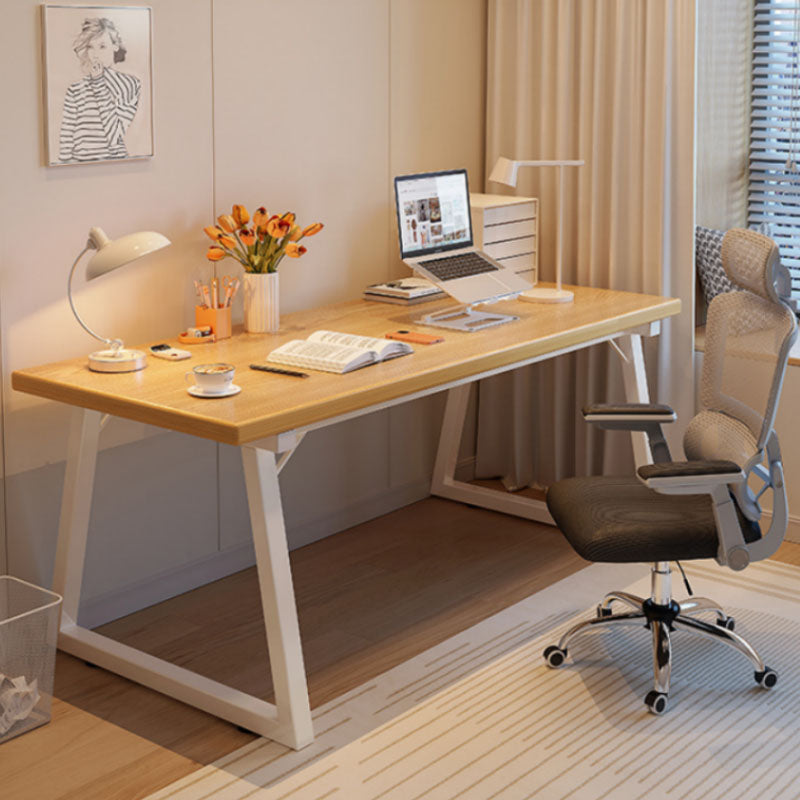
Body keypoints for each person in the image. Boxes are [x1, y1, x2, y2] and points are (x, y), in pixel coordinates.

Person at [59, 17, 141, 162]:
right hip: (78, 167)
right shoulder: (75, 90)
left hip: (115, 165)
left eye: (102, 46)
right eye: (91, 47)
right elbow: (66, 139)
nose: (95, 54)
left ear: (115, 46)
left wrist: (98, 84)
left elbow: (114, 135)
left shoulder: (129, 84)